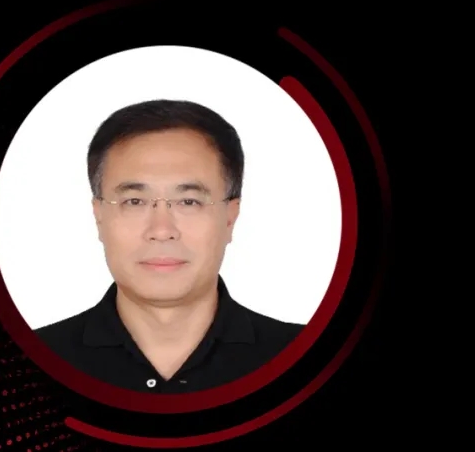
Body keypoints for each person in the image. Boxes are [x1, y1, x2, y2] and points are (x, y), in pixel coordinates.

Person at [35, 99, 305, 393]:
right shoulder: (29, 363)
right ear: (99, 216)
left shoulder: (305, 360)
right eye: (134, 201)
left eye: (188, 201)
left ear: (230, 217)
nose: (162, 231)